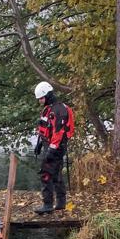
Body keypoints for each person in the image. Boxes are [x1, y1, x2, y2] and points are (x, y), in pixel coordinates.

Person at [33, 81, 75, 215]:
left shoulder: (59, 110)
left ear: (48, 95)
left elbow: (59, 132)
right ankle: (61, 203)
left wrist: (51, 149)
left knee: (45, 173)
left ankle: (47, 204)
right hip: (51, 145)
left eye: (41, 98)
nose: (40, 101)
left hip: (56, 147)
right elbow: (46, 129)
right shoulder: (49, 109)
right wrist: (40, 144)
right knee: (56, 173)